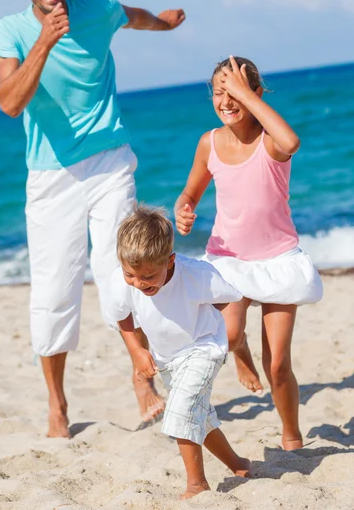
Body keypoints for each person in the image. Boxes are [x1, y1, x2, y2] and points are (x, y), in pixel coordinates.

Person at [0, 0, 185, 438]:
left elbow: (133, 16)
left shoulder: (98, 9)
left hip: (109, 160)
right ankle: (57, 404)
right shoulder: (10, 31)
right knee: (55, 291)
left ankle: (141, 377)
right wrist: (45, 40)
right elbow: (10, 102)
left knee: (119, 267)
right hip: (51, 176)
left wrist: (164, 22)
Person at [174, 56, 323, 450]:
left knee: (277, 363)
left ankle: (290, 431)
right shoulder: (210, 143)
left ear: (256, 94)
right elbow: (192, 190)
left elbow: (292, 142)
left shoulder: (270, 141)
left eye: (235, 91)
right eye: (219, 92)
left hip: (277, 261)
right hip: (229, 258)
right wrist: (184, 207)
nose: (226, 100)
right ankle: (241, 356)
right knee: (231, 334)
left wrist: (245, 94)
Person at [110, 205, 251, 499]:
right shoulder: (123, 280)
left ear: (170, 261)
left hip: (204, 346)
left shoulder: (196, 275)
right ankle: (238, 464)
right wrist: (136, 351)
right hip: (168, 358)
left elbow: (233, 298)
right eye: (131, 275)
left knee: (183, 410)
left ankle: (197, 484)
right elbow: (122, 316)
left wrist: (235, 337)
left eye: (148, 276)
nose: (138, 283)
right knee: (201, 417)